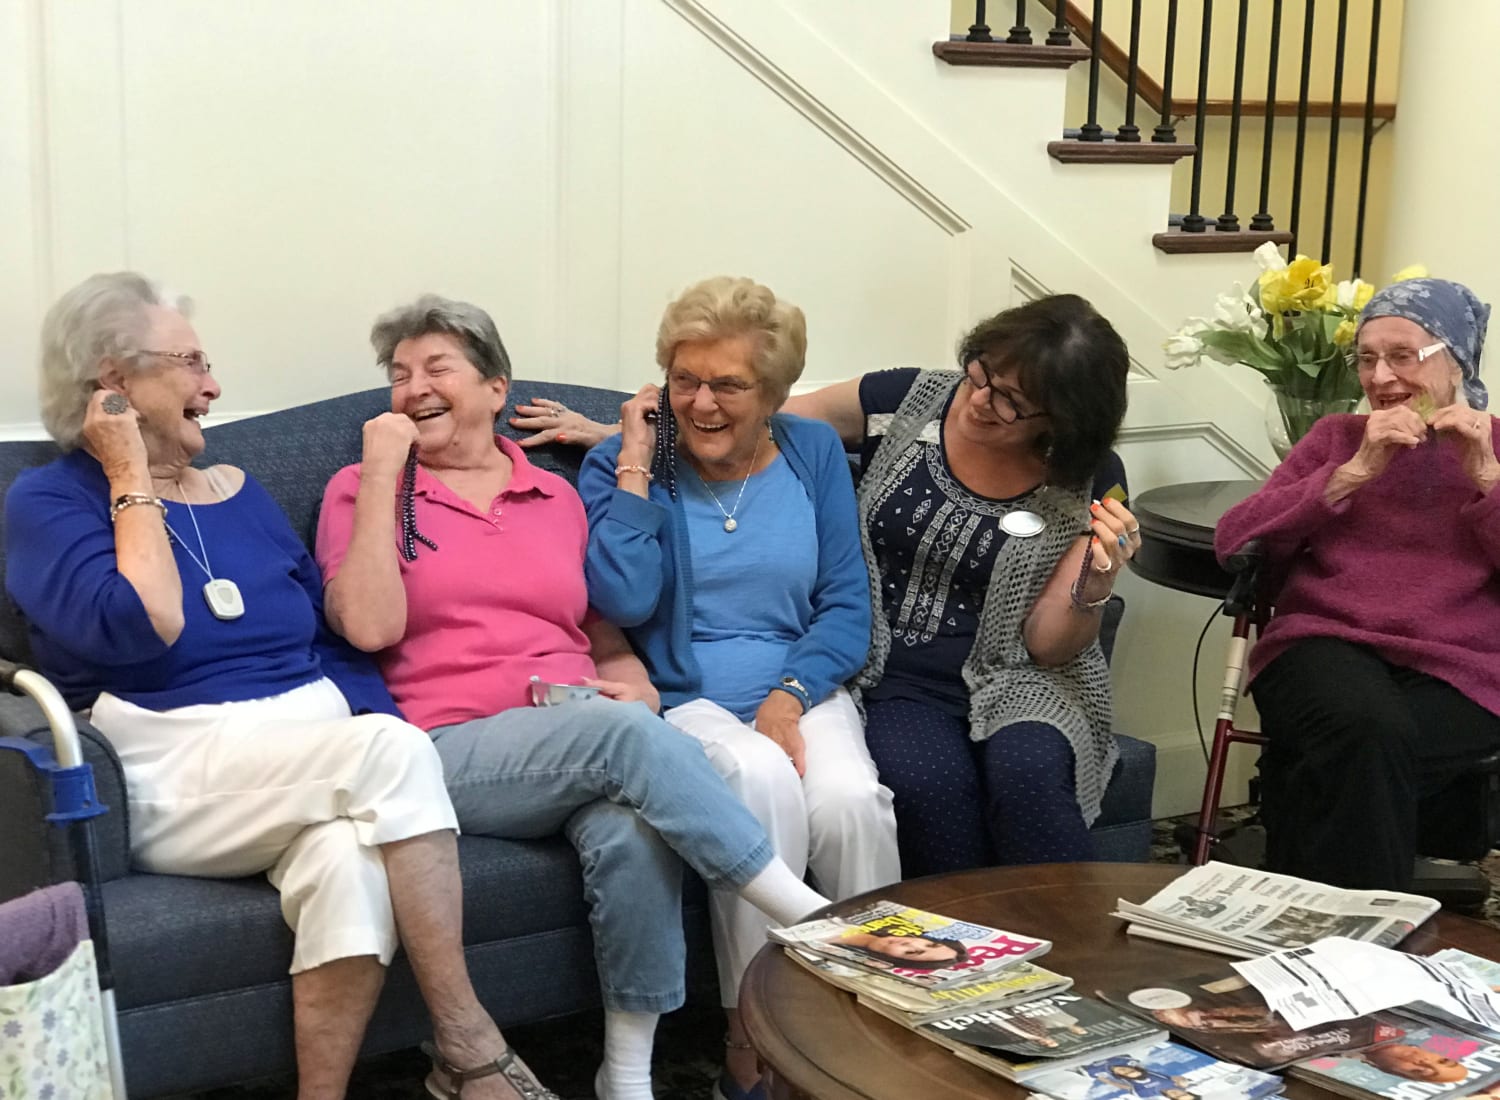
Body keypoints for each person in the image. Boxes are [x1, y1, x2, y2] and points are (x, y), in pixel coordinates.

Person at [4, 273, 552, 1100]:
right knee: (391, 751)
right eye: (190, 363)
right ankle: (469, 1042)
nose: (213, 385)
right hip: (171, 767)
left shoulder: (240, 492)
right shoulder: (47, 501)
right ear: (113, 382)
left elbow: (328, 642)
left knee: (346, 863)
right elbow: (134, 623)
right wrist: (127, 473)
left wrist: (367, 715)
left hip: (298, 755)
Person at [314, 294, 832, 1100]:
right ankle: (810, 918)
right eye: (398, 375)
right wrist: (384, 468)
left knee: (633, 828)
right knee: (616, 741)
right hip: (445, 748)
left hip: (568, 732)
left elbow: (602, 634)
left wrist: (632, 687)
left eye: (437, 368)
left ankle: (623, 1074)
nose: (413, 388)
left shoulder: (551, 496)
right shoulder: (364, 488)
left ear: (496, 389)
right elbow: (371, 627)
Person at [514, 294, 1137, 877]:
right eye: (981, 374)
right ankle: (959, 959)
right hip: (894, 674)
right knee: (926, 788)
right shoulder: (906, 402)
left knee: (1031, 776)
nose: (979, 400)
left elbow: (1052, 645)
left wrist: (1097, 580)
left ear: (1063, 419)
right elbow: (752, 417)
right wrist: (625, 442)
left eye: (1012, 402)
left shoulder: (1088, 477)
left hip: (1019, 678)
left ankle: (1070, 957)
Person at [576, 275, 900, 1098]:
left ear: (776, 393)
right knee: (757, 780)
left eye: (729, 384)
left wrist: (790, 696)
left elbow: (846, 605)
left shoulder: (812, 451)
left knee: (854, 803)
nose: (703, 403)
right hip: (683, 698)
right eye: (685, 380)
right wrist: (639, 467)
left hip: (802, 683)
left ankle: (876, 1027)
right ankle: (753, 1044)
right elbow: (621, 600)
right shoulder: (618, 465)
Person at [1214, 277, 1500, 892]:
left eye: (1403, 356)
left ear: (1456, 359)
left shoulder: (1495, 447)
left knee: (1346, 748)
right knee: (1364, 731)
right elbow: (1236, 538)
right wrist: (1352, 474)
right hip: (1324, 643)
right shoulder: (1337, 440)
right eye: (1366, 359)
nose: (1380, 378)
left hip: (1463, 667)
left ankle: (1305, 915)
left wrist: (1486, 479)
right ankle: (1370, 944)